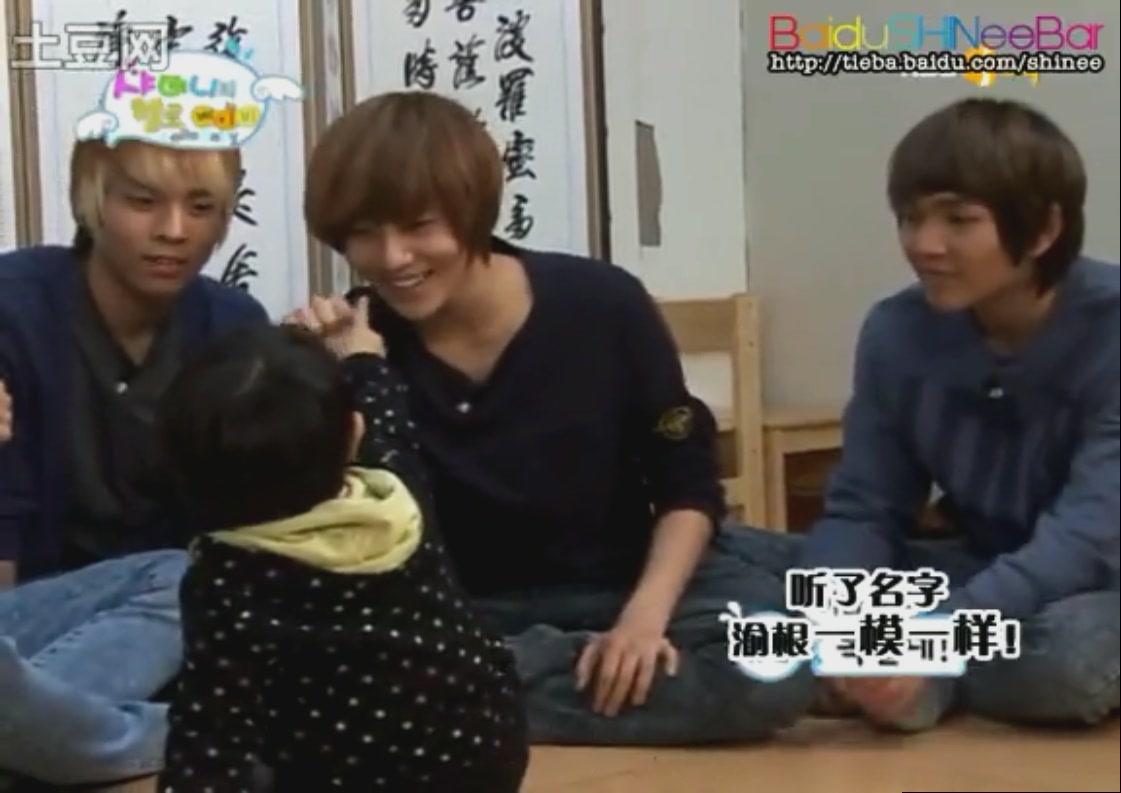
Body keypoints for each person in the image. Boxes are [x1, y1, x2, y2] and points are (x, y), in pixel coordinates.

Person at [295, 90, 816, 747]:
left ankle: (475, 695)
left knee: (774, 662)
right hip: (469, 610)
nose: (393, 257)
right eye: (365, 233)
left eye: (419, 226)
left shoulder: (600, 303)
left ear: (473, 209)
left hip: (620, 581)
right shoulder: (356, 347)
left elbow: (686, 485)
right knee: (326, 667)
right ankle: (542, 676)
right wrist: (320, 386)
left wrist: (642, 621)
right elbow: (342, 544)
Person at [773, 97, 1119, 731]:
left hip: (1097, 579)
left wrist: (934, 636)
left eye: (959, 220)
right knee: (764, 571)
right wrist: (834, 617)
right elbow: (865, 506)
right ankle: (892, 673)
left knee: (1060, 660)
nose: (924, 245)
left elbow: (1087, 536)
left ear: (1044, 229)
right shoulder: (895, 331)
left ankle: (913, 677)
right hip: (978, 561)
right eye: (911, 218)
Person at [155, 316, 529, 792]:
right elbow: (386, 414)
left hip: (342, 772)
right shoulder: (397, 492)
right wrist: (363, 356)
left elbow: (211, 734)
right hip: (484, 752)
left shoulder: (226, 577)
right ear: (354, 433)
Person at [0, 138, 268, 786]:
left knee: (196, 580)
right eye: (143, 202)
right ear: (92, 201)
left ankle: (33, 738)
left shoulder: (234, 327)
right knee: (180, 577)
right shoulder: (15, 304)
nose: (174, 231)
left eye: (200, 207)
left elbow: (251, 531)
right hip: (32, 616)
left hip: (164, 636)